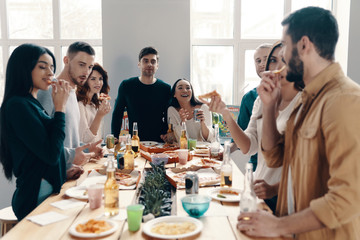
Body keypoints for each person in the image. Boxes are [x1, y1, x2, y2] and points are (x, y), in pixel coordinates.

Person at [237, 7, 360, 240]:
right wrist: (270, 106)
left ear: (303, 45)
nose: (281, 56)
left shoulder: (345, 100)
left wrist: (277, 226)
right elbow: (276, 157)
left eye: (285, 45)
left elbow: (349, 197)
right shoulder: (307, 100)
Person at [205, 42, 303, 213]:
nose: (277, 66)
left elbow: (308, 167)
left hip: (288, 199)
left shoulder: (306, 102)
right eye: (273, 60)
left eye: (284, 60)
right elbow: (248, 146)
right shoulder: (260, 99)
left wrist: (274, 188)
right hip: (258, 193)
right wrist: (225, 113)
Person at [0, 44, 70, 220]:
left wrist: (65, 171)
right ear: (24, 68)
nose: (50, 73)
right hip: (34, 198)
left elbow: (42, 153)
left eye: (52, 68)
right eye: (42, 66)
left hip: (45, 190)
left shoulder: (31, 103)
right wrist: (60, 108)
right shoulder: (17, 105)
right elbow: (50, 154)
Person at [38, 41, 103, 179]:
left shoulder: (72, 93)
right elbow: (40, 144)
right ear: (66, 60)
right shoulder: (48, 91)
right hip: (48, 180)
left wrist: (86, 148)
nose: (86, 72)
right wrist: (72, 156)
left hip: (69, 175)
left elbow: (67, 140)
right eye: (81, 65)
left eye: (90, 67)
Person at [111, 47, 171, 142]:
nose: (149, 64)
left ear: (157, 65)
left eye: (153, 61)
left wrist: (169, 134)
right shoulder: (126, 86)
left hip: (159, 141)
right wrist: (115, 136)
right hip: (135, 141)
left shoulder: (165, 88)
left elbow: (169, 115)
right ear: (139, 64)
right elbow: (117, 113)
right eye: (145, 61)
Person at [235, 43, 272, 170]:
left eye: (267, 59)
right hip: (258, 166)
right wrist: (224, 152)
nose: (262, 64)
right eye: (258, 61)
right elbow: (244, 139)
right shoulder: (250, 98)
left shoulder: (295, 95)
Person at [164, 78, 214, 143]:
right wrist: (183, 122)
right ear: (174, 94)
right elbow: (179, 140)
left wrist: (203, 123)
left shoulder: (204, 108)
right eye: (180, 88)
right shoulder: (172, 110)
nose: (185, 90)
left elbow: (209, 139)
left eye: (188, 88)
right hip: (184, 150)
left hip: (203, 149)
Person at [77, 63, 111, 144]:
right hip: (86, 154)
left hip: (97, 153)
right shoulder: (79, 105)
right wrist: (99, 115)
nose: (98, 82)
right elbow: (84, 140)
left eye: (100, 79)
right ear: (85, 81)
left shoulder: (94, 104)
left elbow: (96, 136)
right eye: (93, 79)